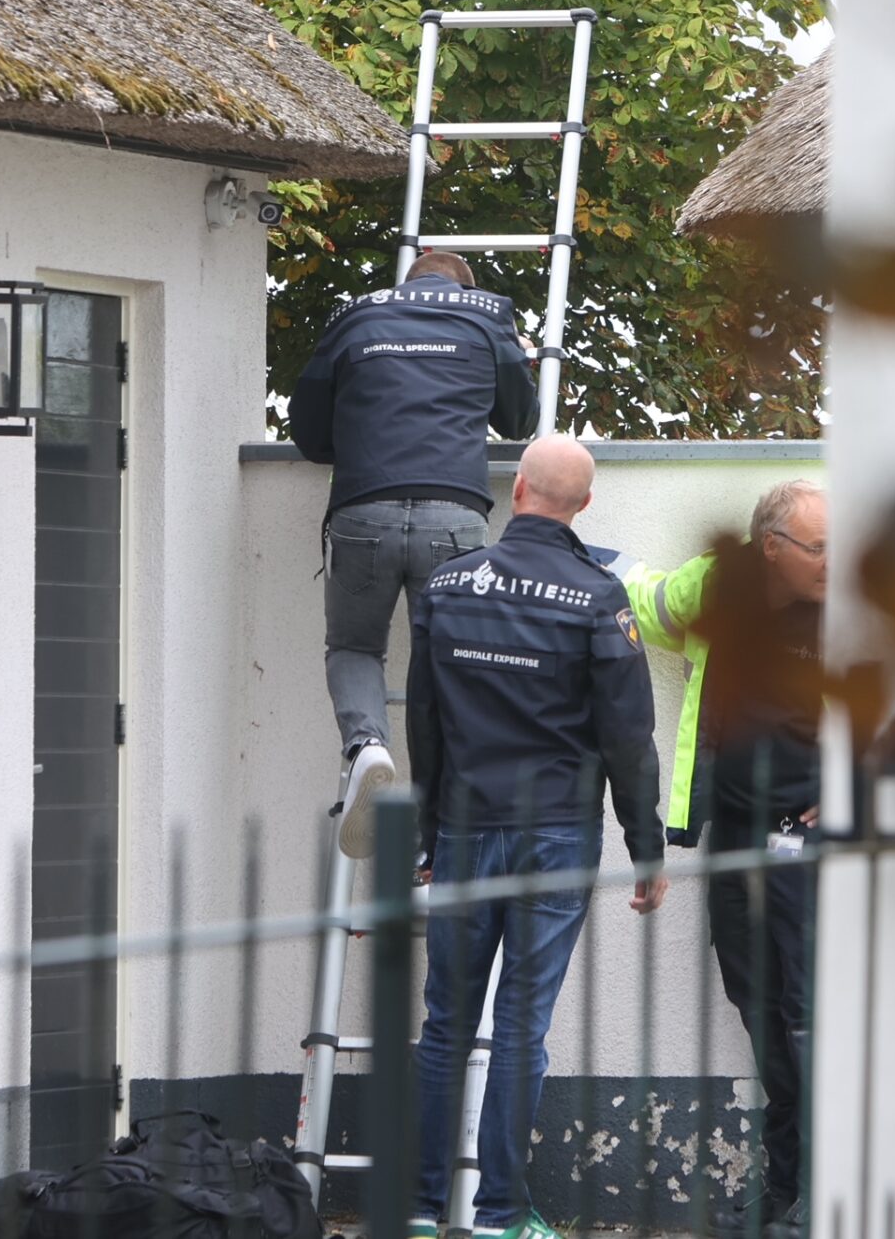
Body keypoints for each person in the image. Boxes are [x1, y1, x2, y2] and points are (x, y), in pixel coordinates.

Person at [406, 434, 668, 1239]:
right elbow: (629, 737)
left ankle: (418, 1211)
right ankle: (498, 1218)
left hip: (464, 829)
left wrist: (428, 836)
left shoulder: (448, 585)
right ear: (583, 504)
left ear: (516, 488)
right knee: (521, 1026)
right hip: (554, 833)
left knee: (445, 1024)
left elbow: (424, 719)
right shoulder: (597, 596)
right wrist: (647, 845)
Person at [623, 479, 828, 1239]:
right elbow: (653, 604)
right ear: (768, 549)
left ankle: (819, 1190)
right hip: (734, 836)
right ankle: (781, 1190)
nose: (831, 560)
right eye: (817, 546)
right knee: (760, 1009)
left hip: (806, 845)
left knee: (810, 1016)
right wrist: (594, 560)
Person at [288, 251, 539, 857]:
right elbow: (520, 421)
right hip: (454, 517)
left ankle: (366, 746)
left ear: (409, 283)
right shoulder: (489, 316)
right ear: (463, 286)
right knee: (450, 663)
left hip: (362, 510)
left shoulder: (356, 314)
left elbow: (309, 431)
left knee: (354, 646)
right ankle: (439, 829)